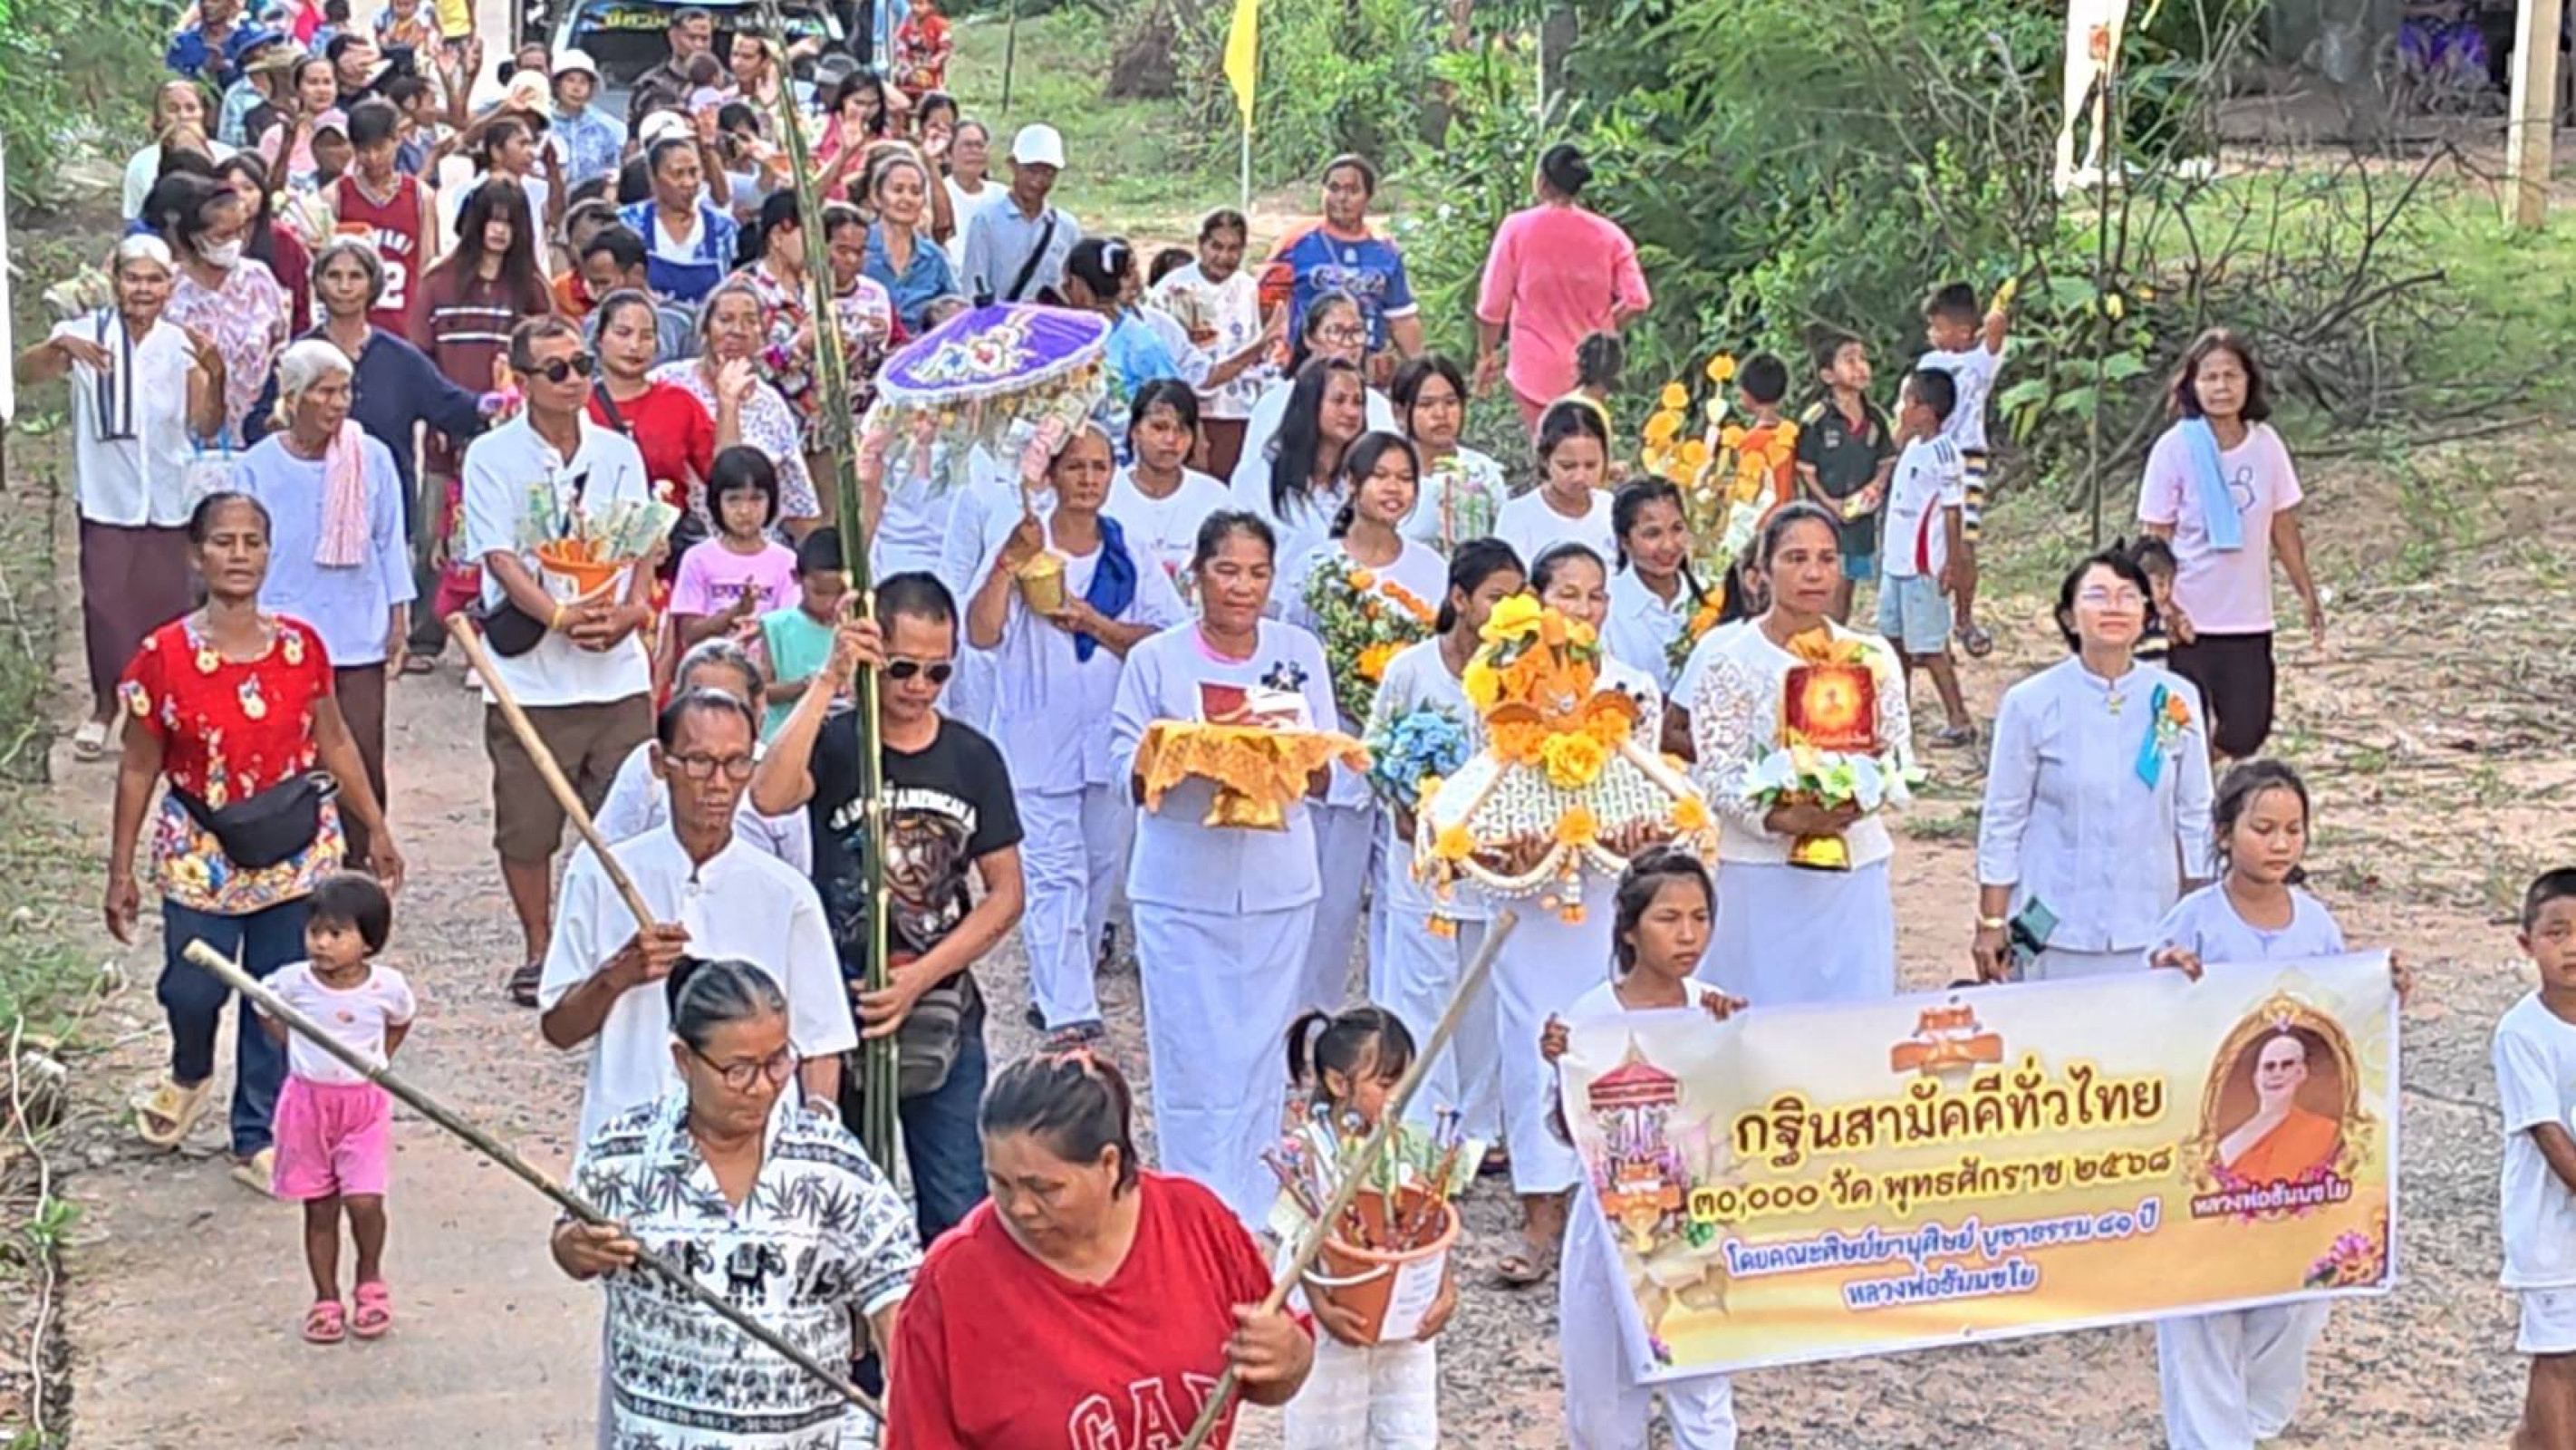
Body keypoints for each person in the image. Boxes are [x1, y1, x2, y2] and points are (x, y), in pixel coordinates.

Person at [105, 492, 403, 1190]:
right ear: (196, 554)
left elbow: (333, 739)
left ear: (270, 553)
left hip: (292, 852)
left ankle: (255, 1135)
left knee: (277, 997)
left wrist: (377, 827)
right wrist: (119, 869)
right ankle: (189, 1069)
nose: (238, 556)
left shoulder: (301, 648)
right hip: (199, 849)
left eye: (252, 542)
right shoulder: (164, 656)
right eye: (223, 542)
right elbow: (140, 764)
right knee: (191, 987)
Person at [752, 576, 1028, 1241]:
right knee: (843, 1202)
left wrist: (923, 976)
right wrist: (829, 681)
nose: (918, 687)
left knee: (957, 1205)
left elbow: (1006, 893)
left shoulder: (972, 758)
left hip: (939, 1009)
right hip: (839, 1009)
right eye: (903, 667)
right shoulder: (840, 743)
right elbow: (769, 794)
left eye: (938, 672)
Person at [555, 957, 919, 1447]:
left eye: (778, 1062)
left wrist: (907, 1399)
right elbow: (568, 1245)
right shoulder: (622, 1153)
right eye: (739, 1070)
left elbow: (893, 1287)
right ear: (684, 1060)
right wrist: (576, 1249)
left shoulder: (829, 1159)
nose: (764, 1087)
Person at [885, 1048, 1315, 1441]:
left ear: (1109, 1163)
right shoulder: (953, 1282)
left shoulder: (1196, 1221)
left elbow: (1271, 1379)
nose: (1019, 1208)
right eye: (999, 1183)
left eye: (1045, 1188)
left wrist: (1289, 1355)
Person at [1109, 512, 1337, 1224]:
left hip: (1275, 879)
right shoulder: (1157, 660)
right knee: (1189, 1048)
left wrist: (1283, 753)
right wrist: (1188, 756)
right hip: (1181, 881)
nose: (1241, 588)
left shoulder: (1298, 651)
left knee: (1259, 1045)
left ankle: (1255, 1196)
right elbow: (1127, 765)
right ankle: (1194, 1203)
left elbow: (1327, 767)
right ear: (1196, 574)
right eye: (1227, 570)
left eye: (1257, 572)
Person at [2145, 759, 2374, 1450]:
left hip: (2300, 1159)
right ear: (2223, 834)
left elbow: (2342, 1018)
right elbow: (2141, 1020)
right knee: (2201, 1304)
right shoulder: (2192, 921)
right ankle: (2209, 1438)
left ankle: (2250, 1425)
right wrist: (2163, 977)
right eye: (2261, 828)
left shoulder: (2317, 924)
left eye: (2292, 830)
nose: (2278, 844)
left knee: (2294, 1297)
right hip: (2210, 1147)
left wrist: (2383, 986)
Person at [538, 687, 854, 1143]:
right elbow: (558, 1029)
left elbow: (822, 1042)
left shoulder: (786, 894)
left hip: (759, 1156)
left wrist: (819, 1129)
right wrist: (618, 974)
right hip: (628, 1143)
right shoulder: (600, 874)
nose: (719, 783)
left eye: (736, 763)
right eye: (699, 762)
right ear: (661, 763)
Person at [461, 317, 660, 1006]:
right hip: (531, 673)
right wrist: (559, 618)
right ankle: (540, 947)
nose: (574, 378)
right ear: (523, 382)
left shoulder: (618, 452)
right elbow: (498, 557)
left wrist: (633, 611)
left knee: (635, 808)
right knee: (527, 823)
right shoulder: (491, 456)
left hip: (616, 670)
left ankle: (622, 935)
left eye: (580, 364)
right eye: (557, 369)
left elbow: (642, 545)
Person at [970, 424, 1185, 1037]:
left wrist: (1094, 623)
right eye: (1075, 467)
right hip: (1036, 736)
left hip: (1107, 736)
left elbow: (1165, 637)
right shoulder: (1023, 546)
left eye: (1098, 467)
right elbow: (981, 633)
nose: (1088, 480)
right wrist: (1007, 565)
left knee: (1096, 868)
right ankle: (1068, 1006)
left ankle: (1061, 984)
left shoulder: (1127, 550)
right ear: (1053, 475)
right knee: (1051, 872)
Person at [1485, 541, 1662, 1286]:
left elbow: (1649, 786)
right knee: (1534, 1044)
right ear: (1535, 600)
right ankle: (1538, 1216)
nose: (1581, 610)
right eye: (1566, 595)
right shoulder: (1501, 682)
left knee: (1613, 1041)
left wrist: (1638, 837)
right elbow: (1485, 782)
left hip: (1607, 893)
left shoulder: (1631, 687)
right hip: (1531, 892)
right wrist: (1510, 842)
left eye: (1594, 597)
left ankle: (1624, 1211)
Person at [1538, 848, 1743, 1448]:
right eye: (1668, 918)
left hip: (1694, 1220)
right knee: (1601, 1401)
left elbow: (1741, 1114)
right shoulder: (1592, 1016)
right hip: (1607, 1225)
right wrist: (1559, 1064)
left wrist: (1735, 1038)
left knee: (1702, 1392)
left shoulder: (1711, 1006)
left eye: (1700, 917)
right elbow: (1565, 1128)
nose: (1688, 935)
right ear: (1629, 929)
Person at [1689, 503, 1909, 1006]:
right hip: (1759, 873)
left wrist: (1856, 802)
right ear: (1762, 571)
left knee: (1850, 1021)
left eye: (1827, 558)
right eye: (1795, 558)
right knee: (1761, 1018)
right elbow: (1718, 773)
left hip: (1853, 866)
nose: (1813, 573)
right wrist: (1786, 817)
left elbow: (1896, 754)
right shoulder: (1729, 660)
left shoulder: (1871, 655)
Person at [17, 235, 221, 761]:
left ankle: (167, 713)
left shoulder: (181, 344)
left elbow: (205, 422)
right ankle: (106, 707)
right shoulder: (86, 336)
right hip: (108, 496)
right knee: (106, 607)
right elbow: (22, 374)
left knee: (168, 609)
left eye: (154, 280)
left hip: (168, 499)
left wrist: (214, 373)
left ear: (170, 287)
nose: (144, 289)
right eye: (134, 278)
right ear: (116, 282)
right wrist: (60, 348)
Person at [245, 239, 489, 672]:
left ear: (373, 285)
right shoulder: (297, 358)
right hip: (301, 520)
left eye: (355, 276)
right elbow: (260, 422)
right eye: (333, 276)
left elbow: (450, 407)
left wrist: (499, 404)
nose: (344, 287)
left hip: (381, 517)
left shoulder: (399, 359)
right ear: (317, 284)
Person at [1974, 546, 2214, 981]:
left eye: (2128, 596)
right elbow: (2003, 817)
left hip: (2147, 918)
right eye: (2098, 595)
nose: (2114, 607)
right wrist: (1992, 921)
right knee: (2046, 1040)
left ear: (2147, 613)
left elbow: (2195, 813)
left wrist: (2197, 911)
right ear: (2069, 616)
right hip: (2046, 919)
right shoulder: (2031, 702)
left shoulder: (2177, 698)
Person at [1360, 539, 1521, 1152]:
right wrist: (1400, 805)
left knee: (1482, 997)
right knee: (1420, 997)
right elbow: (1375, 750)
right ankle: (1423, 1134)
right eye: (1495, 598)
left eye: (1516, 600)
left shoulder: (1517, 673)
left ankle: (1478, 1134)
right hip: (1422, 862)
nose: (1507, 612)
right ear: (1460, 598)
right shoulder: (1411, 668)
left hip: (1492, 862)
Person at [230, 341, 414, 873]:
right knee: (285, 758)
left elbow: (388, 541)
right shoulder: (257, 468)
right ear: (293, 397)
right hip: (281, 631)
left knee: (360, 756)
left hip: (356, 631)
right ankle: (286, 865)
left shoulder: (371, 457)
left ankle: (356, 867)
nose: (339, 404)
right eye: (325, 391)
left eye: (345, 391)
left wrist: (398, 615)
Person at [1282, 432, 1445, 1020]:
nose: (1393, 488)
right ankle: (1309, 1027)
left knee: (1402, 898)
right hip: (1338, 751)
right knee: (1329, 899)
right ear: (1351, 484)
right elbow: (1291, 660)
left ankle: (1391, 1031)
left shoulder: (1429, 568)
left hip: (1408, 759)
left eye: (1405, 477)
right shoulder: (1317, 569)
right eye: (1380, 476)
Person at [2136, 328, 2325, 761]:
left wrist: (2305, 589)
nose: (2221, 388)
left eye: (2231, 376)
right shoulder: (2174, 448)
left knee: (2247, 727)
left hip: (2247, 616)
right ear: (2192, 385)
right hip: (2189, 617)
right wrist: (2163, 606)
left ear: (2248, 382)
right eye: (2210, 378)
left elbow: (2282, 524)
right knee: (2179, 726)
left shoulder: (2267, 446)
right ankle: (2177, 807)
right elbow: (2156, 537)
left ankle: (2195, 777)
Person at [1277, 1007, 1458, 1449]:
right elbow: (1298, 1239)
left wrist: (1445, 1288)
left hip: (1402, 1318)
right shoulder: (1309, 1150)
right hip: (1334, 1315)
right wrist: (1321, 1306)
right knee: (1328, 1425)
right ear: (1340, 1084)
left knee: (1404, 1423)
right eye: (1385, 1084)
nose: (1398, 1095)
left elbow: (1431, 1218)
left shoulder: (1408, 1142)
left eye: (1404, 1082)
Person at [255, 873, 411, 1344]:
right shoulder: (292, 983)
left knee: (364, 1201)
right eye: (315, 932)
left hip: (362, 1106)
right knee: (319, 1208)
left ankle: (370, 1282)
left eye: (336, 934)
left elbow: (400, 1022)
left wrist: (375, 1063)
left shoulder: (386, 987)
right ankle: (326, 1298)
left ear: (368, 941)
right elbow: (264, 1008)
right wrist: (296, 1047)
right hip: (306, 1104)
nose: (321, 944)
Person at [594, 636, 811, 872]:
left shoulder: (778, 772)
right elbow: (606, 851)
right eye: (698, 699)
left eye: (729, 701)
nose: (711, 717)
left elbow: (797, 868)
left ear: (757, 707)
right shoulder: (649, 763)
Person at [1473, 143, 1649, 431]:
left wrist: (1486, 355)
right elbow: (1637, 300)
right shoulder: (1610, 235)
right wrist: (1603, 326)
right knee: (1587, 446)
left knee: (1547, 449)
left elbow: (1493, 306)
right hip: (1591, 368)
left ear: (1541, 181)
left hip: (1534, 367)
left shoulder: (1516, 228)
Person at [2495, 868, 2576, 1450]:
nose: (2573, 947)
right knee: (2559, 1361)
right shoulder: (2522, 1033)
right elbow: (2550, 1138)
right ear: (2527, 943)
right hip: (2551, 1232)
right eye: (2558, 932)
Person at [656, 281, 822, 531]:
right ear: (705, 330)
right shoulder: (667, 383)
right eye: (725, 319)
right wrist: (727, 403)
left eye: (749, 321)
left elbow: (799, 506)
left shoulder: (771, 405)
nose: (738, 330)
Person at [1876, 368, 1975, 747]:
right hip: (1895, 564)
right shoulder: (1912, 448)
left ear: (1926, 411)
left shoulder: (1944, 454)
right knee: (1894, 642)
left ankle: (1959, 718)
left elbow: (1953, 511)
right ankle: (1898, 715)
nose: (1901, 409)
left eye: (1907, 402)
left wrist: (1951, 562)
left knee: (1930, 647)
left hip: (1922, 567)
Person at [1916, 279, 2012, 657]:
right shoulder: (1929, 364)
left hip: (1968, 457)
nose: (1932, 334)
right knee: (1930, 539)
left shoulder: (1980, 363)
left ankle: (1965, 617)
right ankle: (1931, 620)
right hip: (1932, 456)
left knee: (1964, 542)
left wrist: (1998, 309)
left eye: (1938, 327)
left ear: (1960, 331)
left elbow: (1995, 332)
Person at [1262, 154, 1422, 378]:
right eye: (1334, 188)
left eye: (1352, 190)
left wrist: (1417, 373)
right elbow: (1265, 304)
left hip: (1366, 373)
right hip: (1306, 370)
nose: (1342, 198)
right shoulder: (1295, 243)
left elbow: (1402, 319)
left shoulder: (1384, 252)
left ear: (1368, 197)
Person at [159, 173, 290, 446]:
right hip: (183, 437)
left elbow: (280, 346)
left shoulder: (259, 280)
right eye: (223, 235)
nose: (236, 241)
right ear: (194, 236)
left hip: (255, 434)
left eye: (241, 230)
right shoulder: (169, 291)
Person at [1231, 291, 1402, 500]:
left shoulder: (1378, 405)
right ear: (1310, 339)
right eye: (1335, 331)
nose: (1348, 343)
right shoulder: (1276, 401)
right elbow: (1253, 473)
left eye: (1356, 332)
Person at [587, 287, 728, 525]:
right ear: (600, 338)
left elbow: (722, 475)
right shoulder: (577, 405)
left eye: (646, 336)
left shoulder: (679, 402)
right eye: (623, 333)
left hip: (666, 536)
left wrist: (729, 405)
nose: (635, 345)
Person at [1149, 208, 1270, 478]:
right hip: (1189, 411)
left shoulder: (1248, 287)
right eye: (1216, 246)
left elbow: (1251, 345)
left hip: (1238, 409)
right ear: (1201, 244)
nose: (1224, 257)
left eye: (1233, 249)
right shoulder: (1171, 290)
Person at [1794, 331, 1896, 624]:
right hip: (1825, 519)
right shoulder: (1817, 420)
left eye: (1863, 359)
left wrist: (1876, 487)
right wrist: (1830, 504)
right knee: (1827, 585)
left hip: (1860, 520)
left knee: (1849, 584)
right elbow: (1806, 471)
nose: (1860, 367)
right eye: (1849, 361)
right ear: (1828, 375)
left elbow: (1886, 460)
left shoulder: (1875, 418)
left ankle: (1835, 637)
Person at [1246, 357, 1372, 587]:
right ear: (1310, 404)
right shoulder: (1263, 476)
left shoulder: (1365, 478)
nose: (1351, 412)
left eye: (1358, 402)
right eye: (1339, 401)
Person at [1107, 380, 1231, 595]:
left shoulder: (1215, 498)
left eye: (1181, 430)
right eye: (1159, 427)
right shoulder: (1107, 493)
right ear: (1136, 431)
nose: (1171, 439)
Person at [671, 447, 801, 650]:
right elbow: (689, 633)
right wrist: (734, 613)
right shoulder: (698, 558)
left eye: (756, 499)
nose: (744, 510)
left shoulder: (786, 562)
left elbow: (791, 630)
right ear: (716, 502)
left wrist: (759, 629)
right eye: (733, 499)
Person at [327, 102, 435, 343]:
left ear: (396, 140)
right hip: (351, 329)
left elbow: (426, 265)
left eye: (380, 148)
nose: (373, 158)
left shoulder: (420, 196)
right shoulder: (336, 195)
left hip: (403, 327)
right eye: (364, 150)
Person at [1392, 354, 1507, 556]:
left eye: (1451, 402)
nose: (1441, 414)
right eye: (1427, 405)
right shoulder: (1389, 474)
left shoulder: (1482, 471)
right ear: (1400, 413)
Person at [1602, 478, 1703, 696]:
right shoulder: (1604, 605)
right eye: (1652, 534)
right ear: (1624, 541)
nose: (1668, 545)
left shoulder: (1709, 600)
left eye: (1677, 529)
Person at [960, 123, 1079, 304]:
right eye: (1031, 170)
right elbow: (974, 288)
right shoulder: (987, 221)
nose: (1038, 181)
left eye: (1048, 173)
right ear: (1013, 166)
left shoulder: (1066, 227)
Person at [621, 135, 742, 306]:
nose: (688, 183)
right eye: (677, 174)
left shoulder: (723, 227)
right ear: (652, 177)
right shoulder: (629, 223)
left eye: (694, 172)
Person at [1496, 400, 1616, 566]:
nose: (1580, 477)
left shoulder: (1612, 510)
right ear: (1545, 460)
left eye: (1591, 465)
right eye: (1567, 466)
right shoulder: (1518, 515)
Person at [862, 150, 962, 337]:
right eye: (897, 190)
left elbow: (955, 310)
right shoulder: (858, 249)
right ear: (876, 196)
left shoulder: (934, 257)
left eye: (915, 192)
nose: (906, 199)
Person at [757, 528, 847, 738]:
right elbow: (761, 691)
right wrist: (806, 685)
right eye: (820, 592)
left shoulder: (854, 629)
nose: (830, 603)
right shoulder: (776, 626)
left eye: (839, 593)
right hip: (784, 737)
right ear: (796, 577)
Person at [124, 80, 238, 222]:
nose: (183, 116)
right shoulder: (141, 163)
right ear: (159, 118)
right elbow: (134, 218)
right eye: (173, 109)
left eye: (191, 108)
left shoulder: (228, 156)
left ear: (202, 114)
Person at [623, 4, 715, 130]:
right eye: (691, 37)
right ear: (673, 36)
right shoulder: (651, 84)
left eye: (705, 39)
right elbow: (634, 136)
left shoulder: (725, 83)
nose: (699, 45)